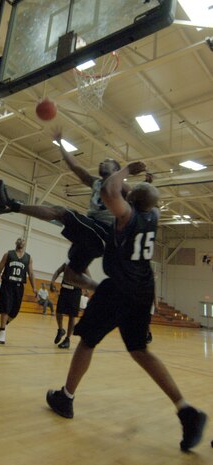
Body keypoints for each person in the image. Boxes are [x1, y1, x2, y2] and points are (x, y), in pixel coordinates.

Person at [45, 161, 207, 452]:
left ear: (130, 199)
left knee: (87, 341)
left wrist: (126, 171)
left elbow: (109, 190)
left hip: (119, 287)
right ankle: (186, 410)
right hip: (142, 288)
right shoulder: (154, 216)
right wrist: (146, 183)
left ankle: (66, 397)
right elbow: (148, 198)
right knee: (140, 351)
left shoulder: (126, 215)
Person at [0, 131, 128, 292]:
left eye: (106, 162)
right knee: (71, 275)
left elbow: (140, 200)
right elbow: (75, 166)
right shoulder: (95, 182)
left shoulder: (122, 186)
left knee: (60, 212)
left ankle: (11, 206)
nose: (101, 163)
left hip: (102, 232)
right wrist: (60, 143)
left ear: (116, 169)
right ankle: (101, 290)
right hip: (92, 237)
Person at [0, 237, 37, 344]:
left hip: (19, 286)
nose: (21, 241)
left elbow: (31, 274)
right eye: (19, 240)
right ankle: (2, 331)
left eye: (23, 240)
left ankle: (3, 324)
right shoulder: (8, 254)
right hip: (7, 284)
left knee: (14, 311)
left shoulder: (28, 258)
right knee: (5, 307)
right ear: (16, 243)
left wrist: (34, 288)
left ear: (24, 244)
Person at [50, 262, 82, 349]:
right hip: (64, 290)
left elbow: (88, 278)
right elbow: (57, 271)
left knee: (72, 316)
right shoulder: (66, 264)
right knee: (58, 312)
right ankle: (60, 330)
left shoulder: (83, 265)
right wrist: (52, 281)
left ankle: (67, 339)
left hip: (75, 292)